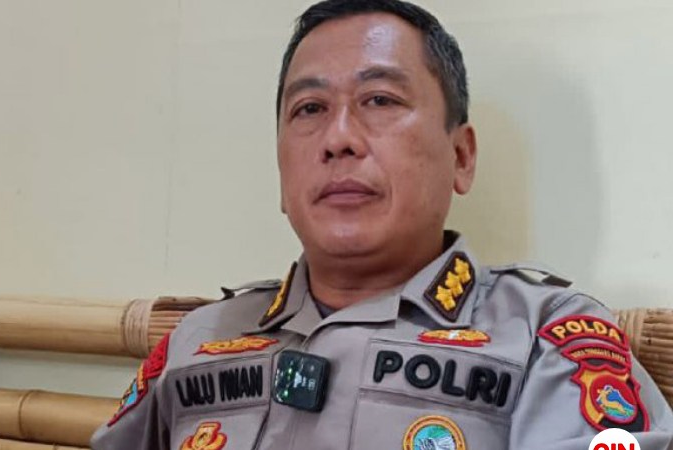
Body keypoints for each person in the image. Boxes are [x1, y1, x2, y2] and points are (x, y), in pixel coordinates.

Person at [91, 0, 673, 449]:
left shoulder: (548, 339)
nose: (338, 138)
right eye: (309, 109)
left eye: (380, 100)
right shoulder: (198, 340)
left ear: (461, 156)